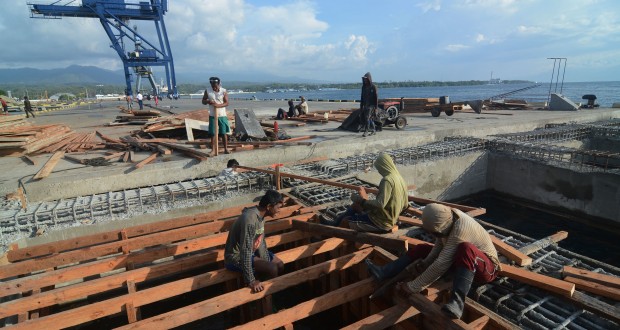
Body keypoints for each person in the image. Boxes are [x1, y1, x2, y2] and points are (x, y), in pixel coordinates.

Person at [366, 203, 500, 319]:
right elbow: (439, 246)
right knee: (422, 248)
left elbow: (441, 263)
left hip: (486, 269)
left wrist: (413, 286)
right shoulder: (447, 217)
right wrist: (425, 263)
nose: (434, 236)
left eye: (435, 233)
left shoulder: (460, 229)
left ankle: (457, 304)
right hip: (463, 261)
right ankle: (384, 271)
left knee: (466, 249)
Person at [327, 152, 408, 233]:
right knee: (355, 206)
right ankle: (333, 224)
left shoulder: (387, 180)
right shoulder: (400, 178)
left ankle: (329, 234)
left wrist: (360, 200)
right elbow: (405, 205)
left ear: (383, 166)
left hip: (380, 223)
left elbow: (379, 205)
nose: (379, 171)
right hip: (386, 218)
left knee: (345, 221)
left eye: (379, 168)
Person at [224, 190, 285, 293]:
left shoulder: (261, 216)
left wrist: (266, 261)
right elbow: (245, 250)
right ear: (269, 206)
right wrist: (251, 280)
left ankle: (269, 288)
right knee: (272, 269)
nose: (279, 211)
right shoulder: (250, 219)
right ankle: (268, 297)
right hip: (236, 256)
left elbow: (261, 243)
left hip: (251, 251)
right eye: (278, 208)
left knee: (279, 265)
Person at [202, 76, 231, 154]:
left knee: (224, 132)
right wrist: (208, 101)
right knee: (213, 133)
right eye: (212, 86)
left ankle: (226, 148)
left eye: (215, 86)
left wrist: (218, 105)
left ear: (219, 84)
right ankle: (213, 149)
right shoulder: (207, 91)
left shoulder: (223, 91)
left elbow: (227, 103)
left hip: (222, 115)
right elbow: (203, 101)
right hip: (212, 115)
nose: (214, 88)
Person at [360, 72, 378, 137]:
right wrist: (361, 106)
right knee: (369, 119)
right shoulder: (363, 87)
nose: (365, 80)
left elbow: (376, 98)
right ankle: (373, 130)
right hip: (365, 105)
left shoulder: (373, 87)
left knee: (367, 118)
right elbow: (362, 97)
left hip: (371, 105)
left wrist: (376, 108)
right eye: (364, 79)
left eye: (366, 79)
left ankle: (366, 131)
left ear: (369, 79)